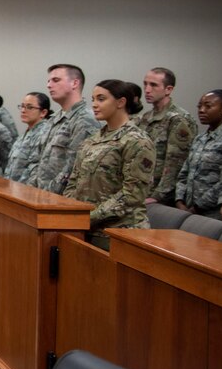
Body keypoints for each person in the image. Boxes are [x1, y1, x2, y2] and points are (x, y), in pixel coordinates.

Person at [64, 80, 156, 250]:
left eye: (101, 99)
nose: (94, 104)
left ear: (121, 102)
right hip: (85, 228)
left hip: (119, 233)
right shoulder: (93, 139)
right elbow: (74, 180)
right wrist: (72, 212)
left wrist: (89, 217)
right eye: (93, 99)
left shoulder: (137, 141)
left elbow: (132, 195)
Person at [32, 64, 101, 194]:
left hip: (60, 198)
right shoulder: (53, 119)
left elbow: (73, 169)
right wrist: (31, 190)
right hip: (39, 195)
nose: (49, 85)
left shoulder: (85, 120)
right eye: (48, 81)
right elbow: (37, 159)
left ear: (74, 83)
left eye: (56, 80)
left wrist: (48, 194)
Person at [135, 68, 197, 206]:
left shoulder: (178, 119)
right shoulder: (145, 118)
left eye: (153, 85)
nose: (147, 90)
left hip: (162, 198)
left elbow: (176, 163)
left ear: (168, 89)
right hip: (142, 190)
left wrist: (158, 196)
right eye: (145, 84)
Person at [175, 89, 222, 219]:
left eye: (208, 106)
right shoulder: (199, 138)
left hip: (214, 214)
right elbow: (184, 173)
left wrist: (197, 207)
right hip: (187, 210)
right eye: (199, 106)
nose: (201, 110)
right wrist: (179, 201)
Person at [4, 92, 53, 184]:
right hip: (11, 187)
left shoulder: (44, 133)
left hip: (25, 189)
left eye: (29, 107)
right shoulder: (26, 133)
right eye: (22, 106)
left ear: (43, 112)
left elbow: (36, 167)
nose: (23, 110)